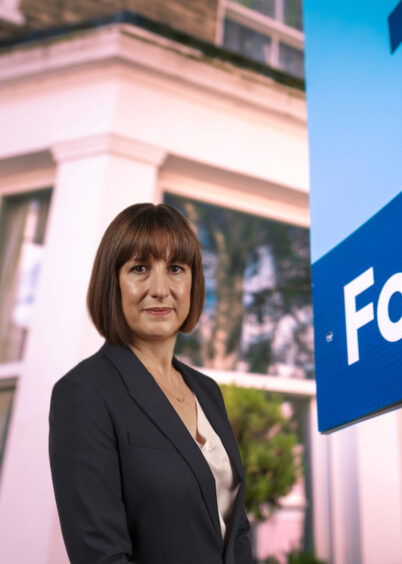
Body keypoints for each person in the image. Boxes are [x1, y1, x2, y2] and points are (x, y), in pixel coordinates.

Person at [49, 203, 253, 564]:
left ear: (193, 282)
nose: (160, 289)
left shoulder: (207, 391)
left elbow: (235, 529)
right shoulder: (84, 393)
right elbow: (101, 555)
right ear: (112, 282)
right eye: (139, 268)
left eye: (176, 268)